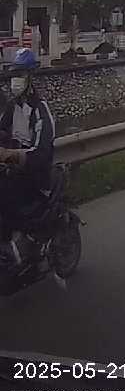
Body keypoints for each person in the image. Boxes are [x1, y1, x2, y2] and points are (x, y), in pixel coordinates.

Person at [0, 48, 56, 265]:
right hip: (16, 172)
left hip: (36, 178)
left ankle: (14, 249)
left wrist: (9, 155)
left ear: (31, 77)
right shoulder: (13, 107)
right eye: (14, 74)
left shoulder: (40, 111)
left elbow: (41, 154)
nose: (15, 80)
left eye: (20, 75)